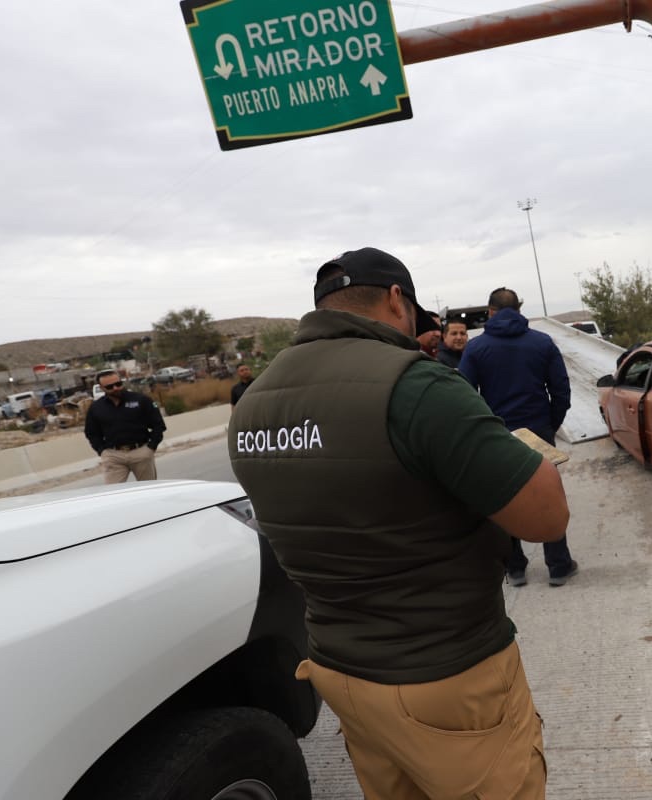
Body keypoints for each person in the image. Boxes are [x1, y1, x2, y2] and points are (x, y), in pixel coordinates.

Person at [228, 247, 569, 799]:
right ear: (395, 299)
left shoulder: (253, 405)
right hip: (445, 673)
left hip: (340, 670)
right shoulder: (416, 386)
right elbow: (547, 518)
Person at [458, 287, 578, 587]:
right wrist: (549, 425)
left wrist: (483, 429)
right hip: (538, 430)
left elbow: (463, 395)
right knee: (547, 494)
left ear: (491, 312)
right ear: (519, 309)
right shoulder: (542, 342)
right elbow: (561, 390)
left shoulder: (476, 348)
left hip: (498, 433)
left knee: (505, 496)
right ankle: (559, 565)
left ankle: (515, 567)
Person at [84, 370, 166, 484]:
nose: (115, 388)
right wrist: (102, 451)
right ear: (102, 388)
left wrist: (151, 447)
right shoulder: (96, 408)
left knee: (149, 490)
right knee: (113, 495)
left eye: (118, 384)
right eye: (110, 386)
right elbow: (91, 432)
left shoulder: (141, 400)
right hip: (113, 456)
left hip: (141, 452)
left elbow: (158, 425)